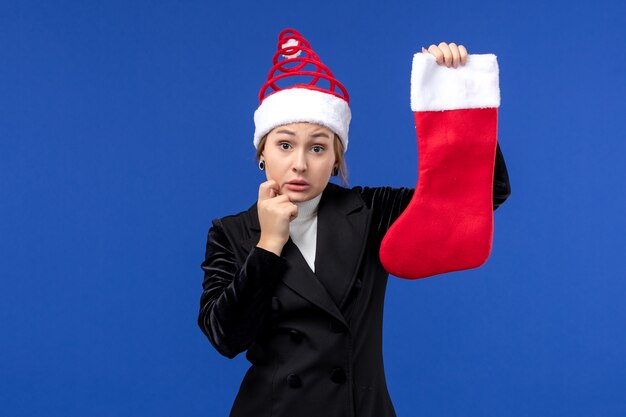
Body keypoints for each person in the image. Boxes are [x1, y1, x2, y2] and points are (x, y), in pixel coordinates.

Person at [198, 29, 511, 417]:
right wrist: (269, 245)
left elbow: (476, 196)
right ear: (262, 152)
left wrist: (456, 94)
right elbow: (226, 337)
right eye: (284, 144)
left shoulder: (368, 210)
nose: (299, 163)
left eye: (317, 147)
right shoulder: (230, 233)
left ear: (335, 159)